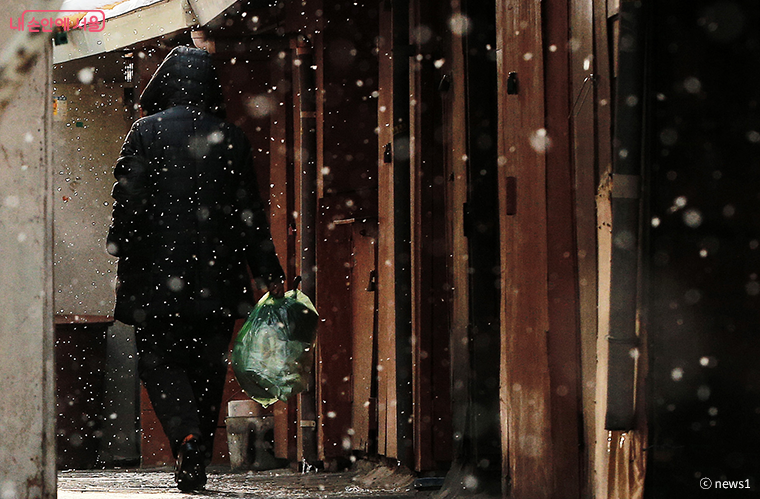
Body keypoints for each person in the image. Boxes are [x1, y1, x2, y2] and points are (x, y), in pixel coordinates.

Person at [106, 45, 285, 491]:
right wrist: (269, 270)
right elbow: (250, 214)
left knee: (160, 361)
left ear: (167, 84)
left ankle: (185, 436)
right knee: (206, 365)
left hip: (155, 279)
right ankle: (198, 444)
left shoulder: (144, 133)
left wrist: (121, 243)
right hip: (218, 279)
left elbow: (128, 199)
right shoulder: (234, 138)